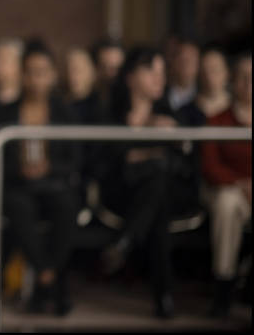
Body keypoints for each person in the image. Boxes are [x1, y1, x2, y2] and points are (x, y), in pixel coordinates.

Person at [98, 46, 195, 318]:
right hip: (123, 194)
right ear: (130, 77)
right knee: (157, 198)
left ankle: (125, 243)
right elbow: (107, 162)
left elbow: (186, 159)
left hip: (161, 194)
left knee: (158, 191)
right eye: (151, 71)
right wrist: (149, 151)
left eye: (162, 72)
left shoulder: (169, 115)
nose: (159, 79)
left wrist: (174, 137)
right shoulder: (112, 113)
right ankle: (163, 296)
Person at [0, 39, 81, 316]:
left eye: (42, 71)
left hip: (54, 183)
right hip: (19, 185)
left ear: (53, 75)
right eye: (30, 71)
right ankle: (51, 280)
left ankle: (44, 284)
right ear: (22, 74)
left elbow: (75, 159)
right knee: (18, 207)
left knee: (66, 206)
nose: (35, 78)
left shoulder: (65, 113)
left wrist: (49, 168)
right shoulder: (7, 113)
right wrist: (22, 170)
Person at [200, 51, 252, 318]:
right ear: (233, 80)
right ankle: (224, 282)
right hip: (228, 189)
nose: (248, 83)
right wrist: (240, 183)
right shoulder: (218, 119)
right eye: (243, 77)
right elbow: (210, 165)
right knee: (225, 204)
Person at [165, 36, 200, 113]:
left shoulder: (203, 97)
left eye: (190, 60)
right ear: (173, 62)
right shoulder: (159, 95)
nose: (185, 65)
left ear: (198, 64)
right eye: (182, 59)